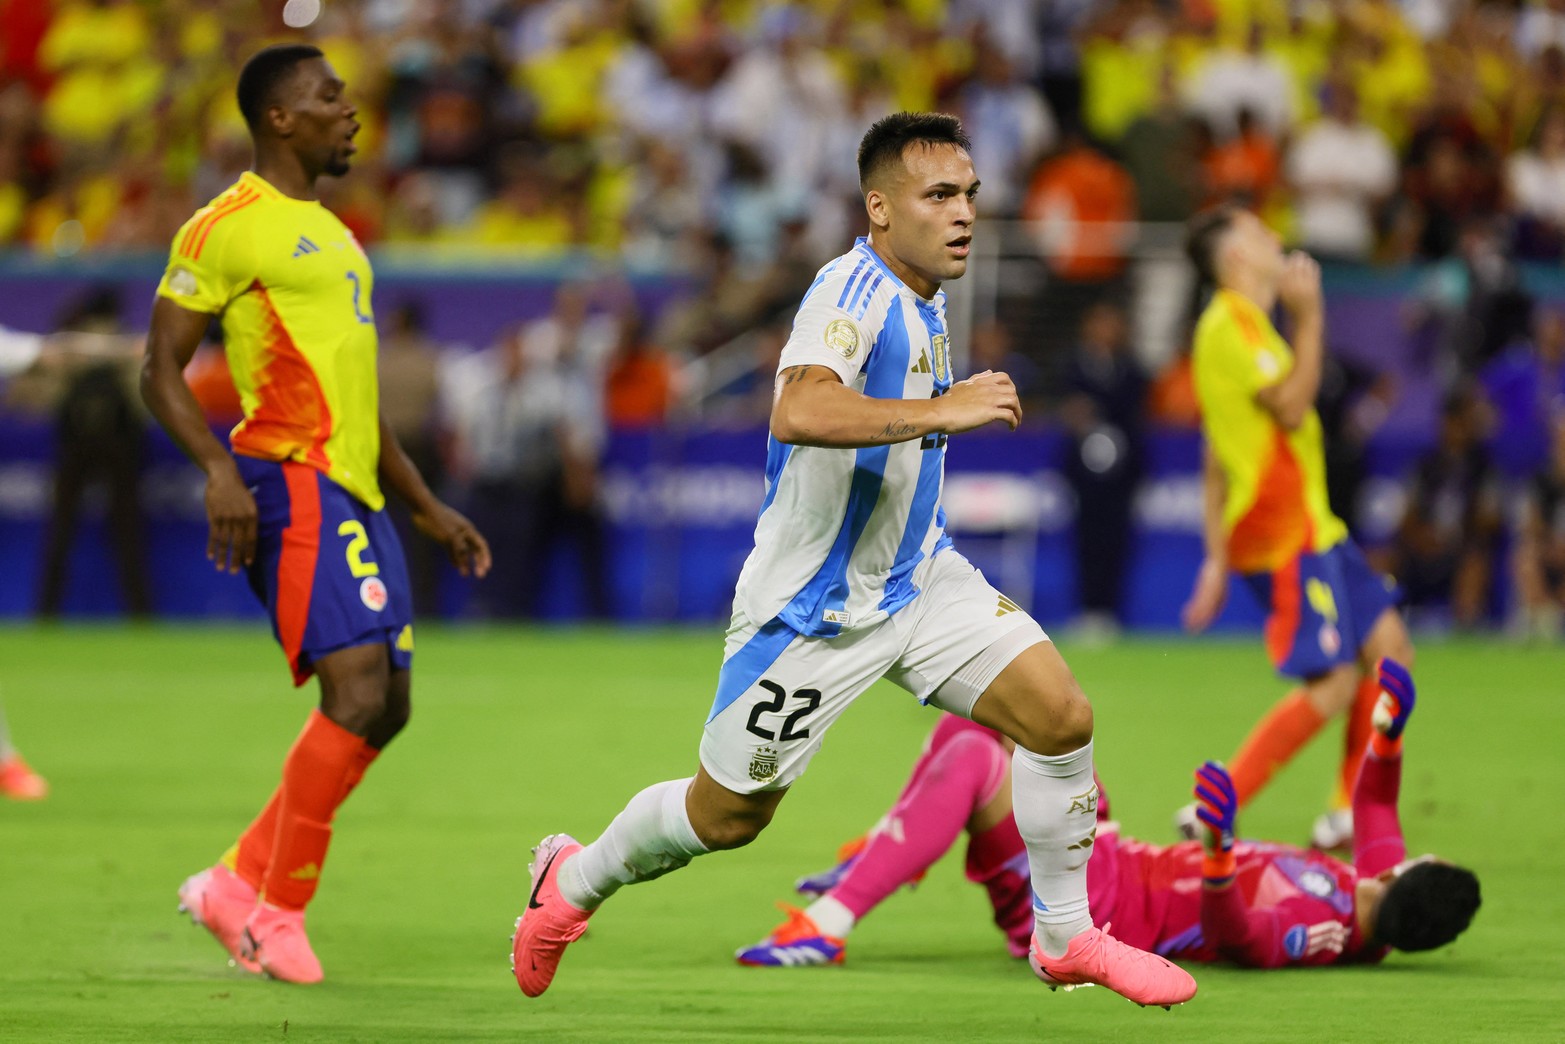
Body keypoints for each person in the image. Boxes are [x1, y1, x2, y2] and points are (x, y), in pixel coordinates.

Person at [508, 112, 1198, 1009]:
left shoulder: (926, 290)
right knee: (725, 818)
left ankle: (1064, 938)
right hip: (812, 613)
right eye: (939, 196)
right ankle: (571, 881)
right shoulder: (851, 293)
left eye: (970, 196)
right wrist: (943, 407)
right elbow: (798, 411)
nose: (963, 215)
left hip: (917, 582)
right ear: (880, 208)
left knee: (1061, 717)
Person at [140, 44, 490, 984]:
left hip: (359, 491)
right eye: (329, 97)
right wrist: (216, 470)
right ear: (281, 119)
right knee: (358, 691)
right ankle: (273, 914)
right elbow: (157, 368)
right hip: (285, 479)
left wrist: (424, 507)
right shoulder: (229, 226)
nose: (351, 111)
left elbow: (359, 405)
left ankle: (232, 882)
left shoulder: (336, 235)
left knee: (391, 709)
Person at [737, 659, 1480, 970]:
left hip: (1096, 908)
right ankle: (881, 860)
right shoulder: (1372, 889)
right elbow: (1374, 803)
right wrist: (1385, 734)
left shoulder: (1329, 931)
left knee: (970, 757)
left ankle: (828, 924)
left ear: (1423, 869)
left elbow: (1244, 941)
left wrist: (1221, 855)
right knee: (991, 721)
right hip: (1116, 860)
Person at [1180, 204, 1416, 850]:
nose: (1271, 235)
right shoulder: (1228, 326)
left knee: (1390, 650)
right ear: (1234, 260)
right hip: (1277, 532)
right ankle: (1220, 800)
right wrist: (1311, 317)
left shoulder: (1250, 328)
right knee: (1335, 680)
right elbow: (1288, 406)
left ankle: (1346, 808)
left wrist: (1210, 560)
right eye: (1255, 233)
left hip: (1315, 526)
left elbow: (1213, 456)